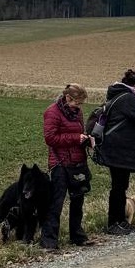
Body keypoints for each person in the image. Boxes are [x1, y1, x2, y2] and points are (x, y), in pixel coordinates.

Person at [94, 69, 135, 235]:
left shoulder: (117, 95)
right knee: (118, 187)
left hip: (114, 149)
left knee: (120, 186)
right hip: (119, 151)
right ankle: (114, 223)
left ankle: (121, 221)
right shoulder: (128, 98)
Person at [41, 84, 94, 250]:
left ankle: (77, 236)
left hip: (78, 162)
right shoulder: (52, 112)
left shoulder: (78, 112)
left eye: (81, 104)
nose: (79, 106)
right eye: (77, 103)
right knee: (56, 202)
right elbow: (50, 139)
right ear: (68, 98)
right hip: (60, 163)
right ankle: (49, 240)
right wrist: (75, 138)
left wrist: (86, 140)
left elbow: (80, 132)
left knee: (78, 200)